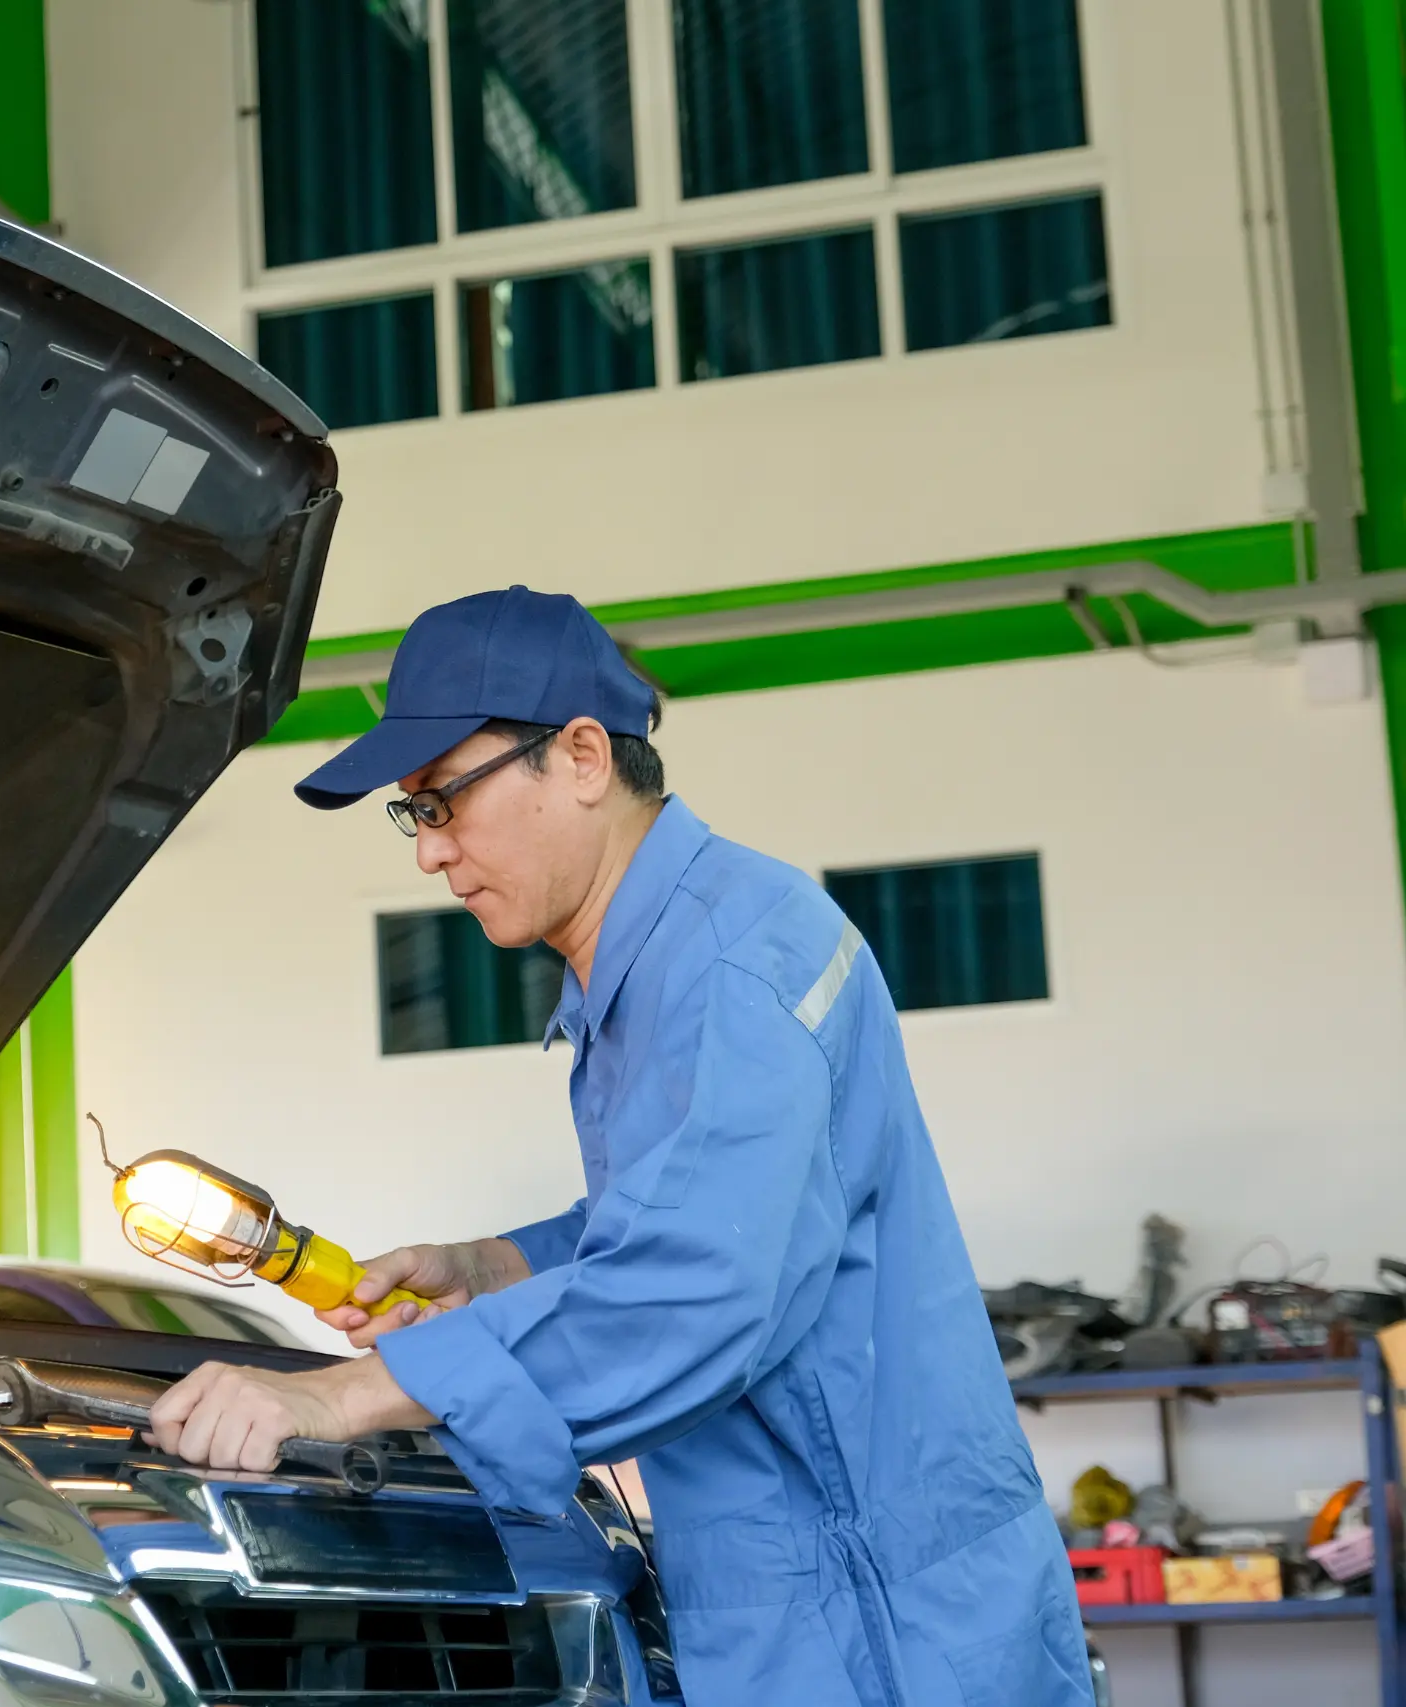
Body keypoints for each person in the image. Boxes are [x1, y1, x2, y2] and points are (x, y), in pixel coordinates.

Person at [146, 588, 1092, 1707]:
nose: (430, 853)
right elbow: (704, 1206)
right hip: (816, 1597)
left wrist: (343, 1399)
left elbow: (695, 1287)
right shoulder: (663, 962)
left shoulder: (734, 964)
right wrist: (496, 1265)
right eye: (413, 815)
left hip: (884, 1618)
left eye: (443, 800)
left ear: (583, 756)